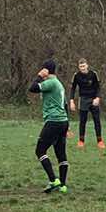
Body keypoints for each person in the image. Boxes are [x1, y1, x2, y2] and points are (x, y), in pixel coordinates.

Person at [28, 60, 70, 194]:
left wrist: (39, 76)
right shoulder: (59, 84)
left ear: (46, 70)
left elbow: (32, 88)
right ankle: (63, 186)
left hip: (54, 121)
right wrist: (67, 124)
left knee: (40, 151)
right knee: (61, 154)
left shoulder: (50, 83)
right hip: (63, 121)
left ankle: (53, 180)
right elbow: (65, 105)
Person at [69, 57, 103, 149]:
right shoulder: (76, 75)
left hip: (93, 99)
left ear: (87, 65)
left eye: (84, 66)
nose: (82, 68)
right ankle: (81, 141)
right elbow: (73, 89)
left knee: (97, 120)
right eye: (80, 66)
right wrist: (71, 101)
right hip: (83, 99)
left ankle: (100, 141)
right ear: (79, 67)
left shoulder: (93, 74)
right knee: (82, 121)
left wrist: (98, 98)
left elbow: (98, 87)